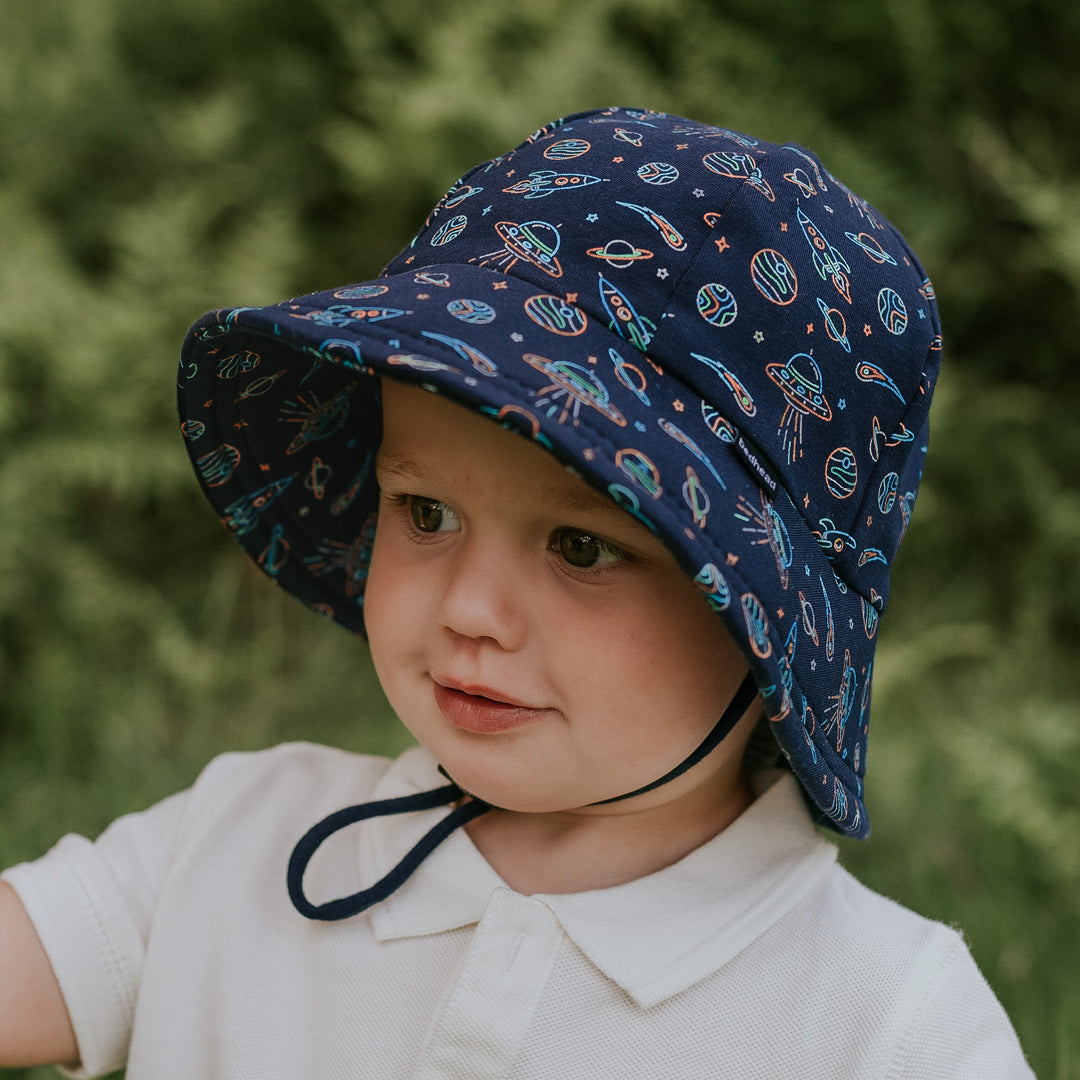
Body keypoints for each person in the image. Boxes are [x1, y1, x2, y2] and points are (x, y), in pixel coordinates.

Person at [0, 106, 1033, 1077]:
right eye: (426, 513)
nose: (469, 610)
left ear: (767, 622)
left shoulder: (881, 1024)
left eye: (582, 546)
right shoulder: (240, 842)